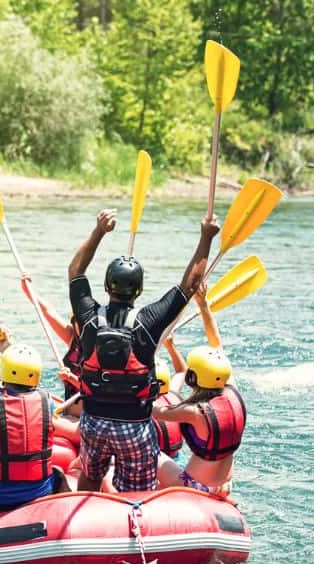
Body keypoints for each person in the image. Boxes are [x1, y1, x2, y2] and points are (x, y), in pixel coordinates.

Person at [68, 208, 220, 492]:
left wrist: (99, 231)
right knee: (137, 491)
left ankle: (87, 500)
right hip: (134, 426)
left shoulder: (88, 316)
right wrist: (206, 238)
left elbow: (75, 271)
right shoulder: (149, 321)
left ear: (105, 286)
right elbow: (189, 285)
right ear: (138, 291)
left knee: (89, 476)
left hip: (94, 423)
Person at [0, 285, 80, 510]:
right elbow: (24, 397)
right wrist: (7, 350)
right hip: (39, 495)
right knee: (59, 474)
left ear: (2, 371)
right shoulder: (46, 402)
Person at [153, 284, 246, 494]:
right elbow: (217, 346)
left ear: (193, 377)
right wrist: (204, 305)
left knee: (152, 451)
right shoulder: (231, 390)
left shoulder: (194, 412)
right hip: (225, 486)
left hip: (195, 486)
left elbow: (154, 411)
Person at [20, 274, 82, 406]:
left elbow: (100, 390)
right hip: (69, 409)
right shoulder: (72, 336)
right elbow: (48, 311)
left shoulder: (100, 347)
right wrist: (28, 290)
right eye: (79, 322)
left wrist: (71, 378)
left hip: (91, 414)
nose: (82, 327)